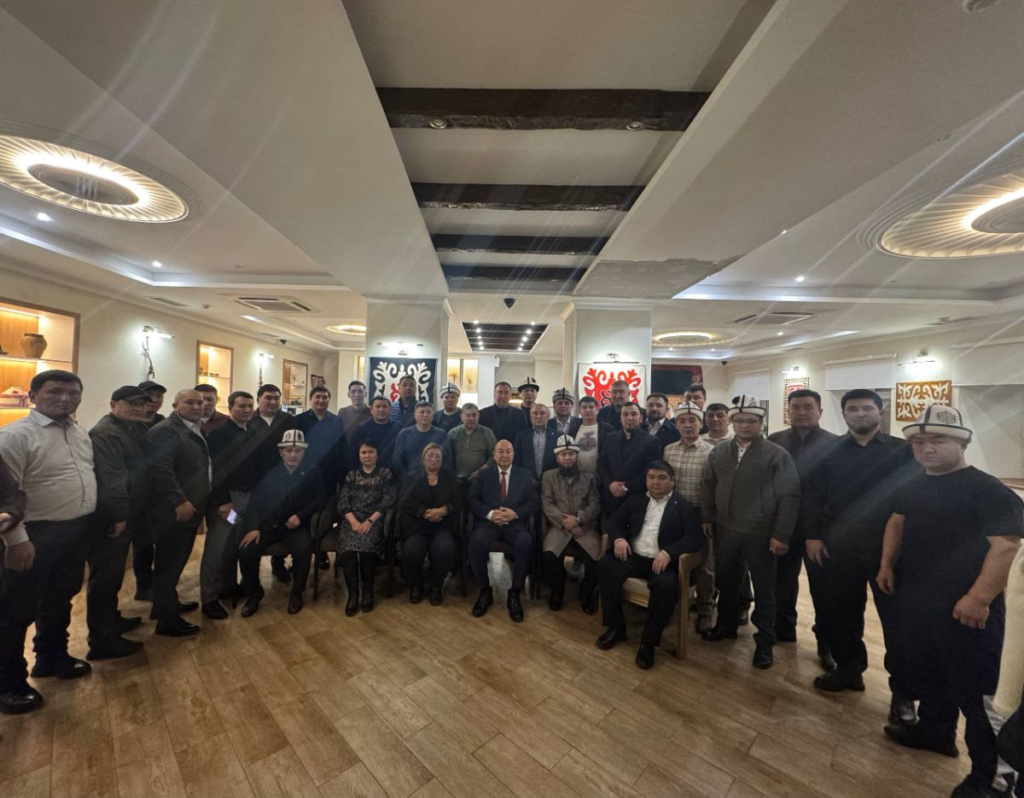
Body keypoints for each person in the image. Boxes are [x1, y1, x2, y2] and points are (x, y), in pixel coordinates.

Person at [876, 406, 1022, 797]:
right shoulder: (913, 485)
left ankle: (992, 779)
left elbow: (1006, 547)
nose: (926, 448)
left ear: (962, 443)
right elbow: (896, 521)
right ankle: (935, 733)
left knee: (978, 694)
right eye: (918, 442)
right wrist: (886, 564)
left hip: (967, 610)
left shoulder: (988, 490)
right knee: (930, 674)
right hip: (919, 601)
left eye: (938, 440)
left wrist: (978, 597)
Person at [801, 389, 921, 727]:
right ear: (844, 414)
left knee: (897, 625)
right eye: (853, 409)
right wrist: (813, 535)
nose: (860, 414)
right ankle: (849, 669)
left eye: (867, 408)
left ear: (880, 412)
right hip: (840, 546)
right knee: (842, 614)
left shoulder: (903, 451)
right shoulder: (828, 451)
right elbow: (813, 496)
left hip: (890, 551)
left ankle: (904, 694)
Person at [0, 370, 96, 715]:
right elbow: (4, 495)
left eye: (73, 393)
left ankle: (52, 657)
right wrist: (16, 540)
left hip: (73, 530)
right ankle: (8, 684)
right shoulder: (14, 436)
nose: (65, 399)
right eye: (55, 392)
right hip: (32, 535)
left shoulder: (79, 432)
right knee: (14, 611)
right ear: (33, 396)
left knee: (59, 598)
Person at [700, 395, 800, 670]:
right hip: (726, 530)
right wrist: (707, 516)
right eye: (740, 420)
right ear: (732, 422)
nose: (745, 425)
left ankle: (764, 642)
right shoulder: (719, 452)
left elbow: (790, 496)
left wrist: (781, 534)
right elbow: (708, 485)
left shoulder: (777, 455)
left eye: (751, 421)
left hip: (760, 533)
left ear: (760, 423)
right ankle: (726, 626)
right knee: (726, 582)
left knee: (765, 591)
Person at [596, 461, 703, 669]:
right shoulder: (636, 500)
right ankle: (616, 628)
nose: (656, 482)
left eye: (662, 478)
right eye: (651, 477)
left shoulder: (684, 506)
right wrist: (619, 539)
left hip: (661, 562)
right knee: (605, 566)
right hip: (633, 556)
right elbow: (615, 521)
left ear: (672, 481)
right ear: (645, 480)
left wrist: (668, 552)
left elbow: (694, 539)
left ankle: (648, 642)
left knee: (667, 588)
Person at [767, 389, 839, 668]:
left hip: (819, 531)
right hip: (784, 526)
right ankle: (784, 630)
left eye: (808, 407)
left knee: (823, 589)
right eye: (795, 407)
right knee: (781, 583)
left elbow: (835, 494)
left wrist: (817, 532)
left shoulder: (835, 444)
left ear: (820, 411)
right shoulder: (775, 441)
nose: (801, 412)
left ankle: (826, 643)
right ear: (789, 411)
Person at [85, 385, 150, 660]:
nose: (138, 408)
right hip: (111, 518)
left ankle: (111, 621)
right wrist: (120, 516)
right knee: (105, 579)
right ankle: (102, 641)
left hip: (127, 513)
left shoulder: (130, 429)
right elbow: (112, 480)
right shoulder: (107, 433)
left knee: (113, 577)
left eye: (141, 404)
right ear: (113, 404)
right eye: (131, 403)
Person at [238, 430, 326, 617]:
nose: (293, 455)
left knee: (304, 549)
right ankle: (254, 593)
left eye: (297, 451)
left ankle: (297, 593)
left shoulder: (313, 471)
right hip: (268, 527)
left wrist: (300, 516)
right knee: (246, 551)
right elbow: (255, 503)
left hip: (296, 526)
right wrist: (254, 528)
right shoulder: (269, 473)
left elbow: (319, 498)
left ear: (303, 452)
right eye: (288, 450)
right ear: (281, 452)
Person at [146, 389, 211, 638]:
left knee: (175, 562)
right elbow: (161, 470)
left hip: (190, 507)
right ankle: (167, 621)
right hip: (174, 510)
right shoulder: (166, 431)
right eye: (189, 402)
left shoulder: (193, 428)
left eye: (200, 402)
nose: (196, 406)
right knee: (169, 564)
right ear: (175, 406)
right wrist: (179, 500)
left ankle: (165, 604)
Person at [468, 440, 539, 622]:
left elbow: (534, 502)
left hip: (515, 524)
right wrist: (491, 514)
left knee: (525, 543)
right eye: (500, 451)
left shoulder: (524, 475)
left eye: (508, 451)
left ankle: (515, 592)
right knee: (476, 543)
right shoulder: (483, 475)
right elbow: (472, 500)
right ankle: (485, 590)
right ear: (494, 455)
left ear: (513, 455)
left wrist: (515, 513)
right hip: (488, 523)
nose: (504, 455)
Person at [202, 390, 258, 619]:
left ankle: (227, 586)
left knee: (231, 543)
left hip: (245, 498)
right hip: (228, 501)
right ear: (230, 408)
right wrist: (224, 501)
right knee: (217, 547)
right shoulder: (219, 435)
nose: (246, 410)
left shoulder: (250, 431)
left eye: (249, 406)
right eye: (241, 406)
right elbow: (215, 470)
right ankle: (209, 598)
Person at [661, 402, 716, 632]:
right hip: (673, 514)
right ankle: (672, 604)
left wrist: (708, 516)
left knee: (704, 566)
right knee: (674, 560)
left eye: (692, 420)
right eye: (682, 421)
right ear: (676, 424)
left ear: (700, 423)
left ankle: (705, 610)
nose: (687, 425)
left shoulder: (711, 451)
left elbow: (713, 487)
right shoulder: (668, 450)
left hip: (700, 515)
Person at [541, 435, 601, 613]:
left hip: (584, 527)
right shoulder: (548, 476)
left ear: (577, 456)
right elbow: (547, 504)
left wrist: (578, 519)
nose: (567, 458)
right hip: (558, 527)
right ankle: (557, 591)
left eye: (571, 454)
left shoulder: (589, 477)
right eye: (563, 455)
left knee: (597, 559)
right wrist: (566, 522)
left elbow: (595, 504)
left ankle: (586, 592)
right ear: (557, 458)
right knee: (549, 555)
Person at [337, 441, 396, 616]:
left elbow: (388, 500)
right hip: (352, 520)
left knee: (366, 550)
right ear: (359, 455)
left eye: (371, 452)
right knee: (347, 551)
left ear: (377, 454)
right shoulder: (352, 476)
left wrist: (370, 521)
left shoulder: (385, 474)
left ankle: (368, 592)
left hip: (374, 519)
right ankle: (353, 594)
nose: (367, 455)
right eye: (364, 452)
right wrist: (353, 522)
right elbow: (343, 503)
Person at [398, 443, 461, 606]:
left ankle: (436, 587)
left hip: (442, 525)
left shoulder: (450, 477)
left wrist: (443, 510)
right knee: (411, 550)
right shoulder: (412, 477)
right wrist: (426, 512)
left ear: (442, 460)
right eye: (430, 456)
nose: (434, 459)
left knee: (444, 549)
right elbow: (405, 501)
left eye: (437, 456)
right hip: (417, 526)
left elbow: (458, 500)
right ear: (423, 459)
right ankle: (416, 586)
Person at [249, 384, 298, 583]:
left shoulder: (289, 420)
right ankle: (250, 572)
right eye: (268, 398)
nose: (273, 401)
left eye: (276, 398)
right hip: (254, 480)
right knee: (256, 520)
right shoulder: (250, 420)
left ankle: (278, 563)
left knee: (282, 517)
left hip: (283, 479)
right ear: (259, 399)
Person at [597, 403, 661, 517]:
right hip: (610, 498)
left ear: (641, 418)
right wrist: (610, 484)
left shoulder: (652, 441)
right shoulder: (609, 438)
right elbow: (601, 464)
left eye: (634, 414)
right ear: (620, 418)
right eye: (625, 414)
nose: (629, 418)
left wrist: (626, 487)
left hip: (636, 498)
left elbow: (649, 471)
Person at [295, 385, 347, 493]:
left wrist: (339, 471)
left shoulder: (336, 420)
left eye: (325, 397)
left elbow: (340, 445)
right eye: (317, 397)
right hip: (306, 469)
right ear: (310, 399)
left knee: (329, 498)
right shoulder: (299, 420)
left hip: (330, 469)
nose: (321, 400)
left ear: (329, 400)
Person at [393, 402, 449, 480]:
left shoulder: (441, 434)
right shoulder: (404, 434)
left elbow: (447, 458)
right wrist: (405, 478)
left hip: (436, 479)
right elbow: (397, 459)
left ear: (433, 416)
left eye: (429, 412)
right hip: (410, 479)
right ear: (415, 415)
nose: (425, 415)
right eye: (422, 412)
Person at [350, 396, 403, 469]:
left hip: (394, 470)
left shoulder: (398, 427)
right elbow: (352, 453)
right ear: (371, 410)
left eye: (385, 406)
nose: (381, 410)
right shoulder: (361, 429)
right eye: (378, 406)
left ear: (390, 409)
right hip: (369, 472)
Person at [447, 404, 496, 482]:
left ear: (478, 415)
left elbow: (494, 456)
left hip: (480, 479)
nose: (471, 418)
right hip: (456, 480)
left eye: (474, 415)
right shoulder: (453, 433)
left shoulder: (487, 433)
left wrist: (480, 471)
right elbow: (447, 456)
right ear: (461, 416)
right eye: (468, 415)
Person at [513, 404, 558, 482]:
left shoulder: (557, 436)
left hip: (551, 481)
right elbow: (517, 460)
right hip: (526, 481)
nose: (538, 416)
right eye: (535, 413)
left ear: (548, 416)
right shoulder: (521, 436)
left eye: (542, 413)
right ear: (530, 418)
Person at [575, 396, 614, 475]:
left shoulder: (608, 429)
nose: (588, 410)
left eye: (591, 407)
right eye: (584, 407)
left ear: (597, 410)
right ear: (579, 411)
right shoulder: (573, 428)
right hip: (578, 476)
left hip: (601, 476)